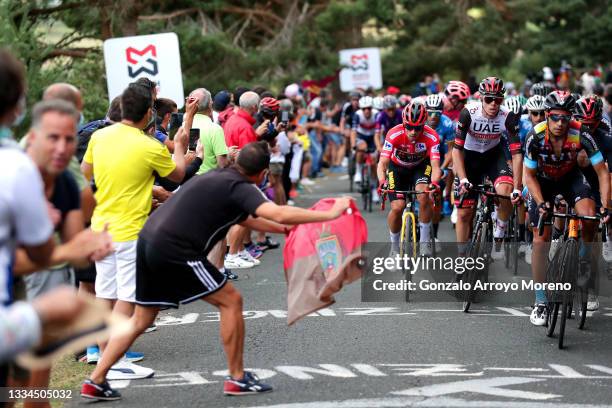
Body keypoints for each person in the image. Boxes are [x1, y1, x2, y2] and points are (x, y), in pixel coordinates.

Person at [81, 141, 353, 400]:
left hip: (148, 241)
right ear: (263, 173)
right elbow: (278, 212)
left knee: (141, 320)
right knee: (231, 301)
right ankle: (236, 377)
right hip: (176, 250)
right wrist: (330, 214)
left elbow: (251, 218)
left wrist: (286, 229)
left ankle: (96, 380)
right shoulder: (241, 186)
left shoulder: (219, 176)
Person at [80, 82, 191, 378]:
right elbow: (177, 176)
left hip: (100, 228)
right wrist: (179, 147)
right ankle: (112, 362)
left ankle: (105, 356)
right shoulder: (148, 145)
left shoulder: (99, 137)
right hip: (130, 231)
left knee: (105, 294)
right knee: (126, 300)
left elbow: (85, 172)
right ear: (146, 114)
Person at [524, 90, 610, 325]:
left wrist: (606, 206)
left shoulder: (581, 133)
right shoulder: (535, 135)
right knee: (540, 238)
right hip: (542, 180)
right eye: (555, 117)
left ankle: (581, 259)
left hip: (571, 178)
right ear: (547, 115)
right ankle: (541, 302)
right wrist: (541, 203)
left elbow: (602, 171)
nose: (560, 123)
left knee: (590, 217)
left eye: (565, 118)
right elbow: (528, 176)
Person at [453, 77, 523, 260]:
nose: (493, 104)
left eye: (498, 100)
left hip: (493, 156)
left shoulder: (508, 116)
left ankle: (500, 230)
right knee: (464, 213)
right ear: (481, 98)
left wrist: (518, 187)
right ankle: (462, 257)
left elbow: (516, 154)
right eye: (489, 99)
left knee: (506, 191)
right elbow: (457, 150)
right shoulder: (468, 112)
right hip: (469, 157)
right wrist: (463, 179)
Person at [377, 101, 441, 256]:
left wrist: (434, 183)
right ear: (404, 124)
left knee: (424, 196)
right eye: (409, 127)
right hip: (397, 168)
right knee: (398, 207)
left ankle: (425, 241)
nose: (413, 131)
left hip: (420, 167)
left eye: (418, 128)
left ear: (424, 125)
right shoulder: (393, 134)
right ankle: (394, 248)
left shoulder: (432, 136)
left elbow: (435, 165)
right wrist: (382, 182)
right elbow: (382, 163)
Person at [574, 95, 612, 309]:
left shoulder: (606, 138)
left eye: (592, 123)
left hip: (596, 180)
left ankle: (589, 283)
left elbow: (609, 176)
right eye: (583, 123)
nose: (587, 127)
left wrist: (607, 205)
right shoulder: (566, 133)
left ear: (600, 120)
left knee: (592, 230)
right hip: (569, 179)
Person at [425, 94, 455, 242]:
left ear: (442, 113)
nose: (433, 116)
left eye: (437, 113)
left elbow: (451, 151)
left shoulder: (448, 124)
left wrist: (442, 168)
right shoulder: (420, 122)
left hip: (440, 160)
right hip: (423, 160)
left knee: (435, 197)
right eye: (429, 112)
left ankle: (434, 235)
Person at [190, 88, 230, 174]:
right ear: (210, 104)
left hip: (186, 182)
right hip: (208, 181)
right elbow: (222, 164)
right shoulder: (215, 129)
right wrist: (230, 156)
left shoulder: (183, 126)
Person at [351, 96, 379, 202]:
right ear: (361, 109)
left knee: (373, 163)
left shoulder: (376, 114)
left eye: (369, 108)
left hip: (373, 137)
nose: (366, 111)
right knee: (361, 148)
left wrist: (379, 145)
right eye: (364, 109)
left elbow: (379, 131)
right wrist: (354, 145)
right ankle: (358, 172)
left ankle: (374, 191)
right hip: (361, 136)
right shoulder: (357, 115)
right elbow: (353, 131)